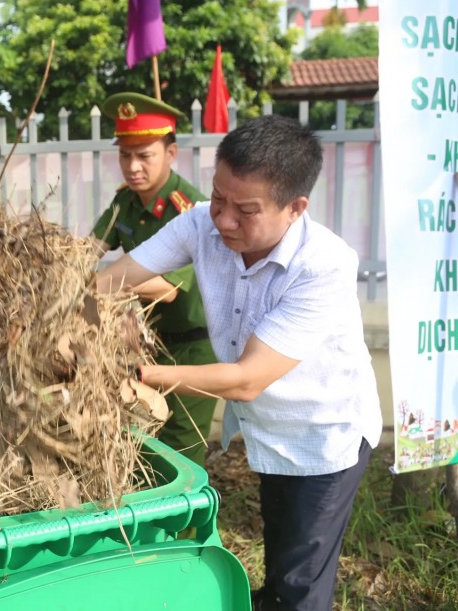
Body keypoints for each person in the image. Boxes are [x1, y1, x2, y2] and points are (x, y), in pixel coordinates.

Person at [97, 115, 381, 611]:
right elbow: (117, 276)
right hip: (267, 427)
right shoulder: (200, 222)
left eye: (246, 210)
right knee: (281, 549)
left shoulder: (323, 264)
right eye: (218, 199)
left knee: (301, 579)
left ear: (295, 208)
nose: (224, 220)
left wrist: (134, 376)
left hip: (323, 432)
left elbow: (246, 379)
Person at [91, 92, 217, 468]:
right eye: (125, 155)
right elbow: (87, 250)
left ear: (171, 153)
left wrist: (96, 286)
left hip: (195, 347)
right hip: (149, 342)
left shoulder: (191, 209)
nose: (133, 167)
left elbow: (167, 288)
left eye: (144, 155)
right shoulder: (125, 202)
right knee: (148, 441)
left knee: (182, 448)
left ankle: (191, 510)